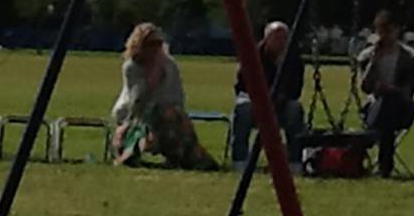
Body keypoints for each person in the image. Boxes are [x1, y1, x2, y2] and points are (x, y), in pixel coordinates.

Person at [109, 22, 218, 170]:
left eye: (159, 43)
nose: (156, 48)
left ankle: (190, 157)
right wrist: (153, 74)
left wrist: (174, 110)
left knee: (173, 119)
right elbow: (139, 100)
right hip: (132, 111)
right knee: (160, 118)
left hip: (166, 111)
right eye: (151, 44)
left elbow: (176, 96)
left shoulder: (170, 65)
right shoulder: (131, 67)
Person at [230, 20, 306, 165]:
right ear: (266, 39)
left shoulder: (293, 59)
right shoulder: (252, 56)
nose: (281, 42)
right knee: (243, 109)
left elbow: (296, 88)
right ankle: (240, 160)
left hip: (282, 104)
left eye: (284, 38)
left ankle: (295, 161)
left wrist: (281, 97)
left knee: (295, 110)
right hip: (254, 102)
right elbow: (241, 85)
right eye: (276, 38)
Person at [355, 10, 414, 178]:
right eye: (380, 31)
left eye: (388, 31)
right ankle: (385, 167)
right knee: (385, 117)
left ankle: (369, 140)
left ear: (396, 31)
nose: (384, 36)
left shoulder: (409, 58)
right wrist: (374, 60)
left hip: (401, 107)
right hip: (373, 107)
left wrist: (390, 90)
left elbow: (408, 91)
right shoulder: (366, 57)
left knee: (389, 103)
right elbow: (365, 87)